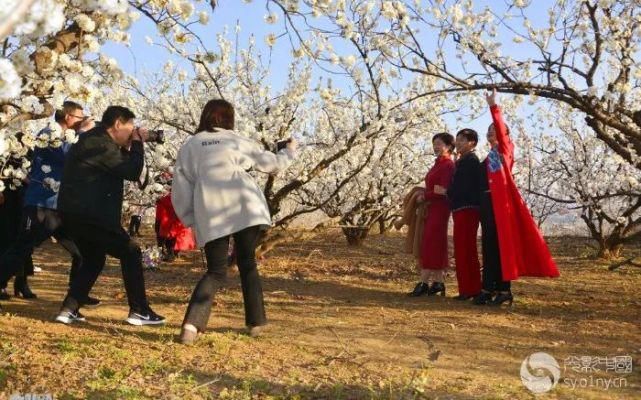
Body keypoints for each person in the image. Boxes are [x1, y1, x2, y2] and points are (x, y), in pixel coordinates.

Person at [172, 99, 297, 344]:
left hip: (211, 212)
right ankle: (256, 323)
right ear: (230, 118)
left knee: (216, 271)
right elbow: (271, 165)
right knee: (247, 263)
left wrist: (189, 218)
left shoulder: (190, 145)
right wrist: (288, 152)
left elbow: (181, 185)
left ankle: (191, 327)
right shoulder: (237, 140)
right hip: (245, 208)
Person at [55, 106, 165, 325]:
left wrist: (128, 144)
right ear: (117, 124)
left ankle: (68, 309)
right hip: (92, 214)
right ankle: (139, 311)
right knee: (131, 252)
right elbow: (132, 171)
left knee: (94, 259)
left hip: (75, 213)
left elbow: (116, 165)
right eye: (129, 127)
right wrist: (137, 143)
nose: (131, 131)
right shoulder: (99, 143)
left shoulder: (95, 140)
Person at [0, 102, 99, 305]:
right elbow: (68, 155)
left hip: (62, 207)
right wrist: (84, 133)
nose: (83, 120)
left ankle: (76, 293)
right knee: (20, 250)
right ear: (69, 117)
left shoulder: (71, 137)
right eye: (80, 117)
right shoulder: (49, 134)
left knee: (81, 251)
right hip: (41, 205)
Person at [473, 89, 560, 306]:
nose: (491, 133)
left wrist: (494, 107)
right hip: (486, 203)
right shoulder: (489, 156)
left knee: (502, 245)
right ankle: (488, 288)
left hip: (500, 205)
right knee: (489, 246)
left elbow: (501, 133)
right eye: (488, 130)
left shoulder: (506, 149)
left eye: (495, 129)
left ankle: (504, 290)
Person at [408, 133, 455, 297]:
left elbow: (443, 190)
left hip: (440, 208)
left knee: (430, 243)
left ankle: (423, 282)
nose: (436, 146)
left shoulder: (448, 165)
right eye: (434, 143)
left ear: (449, 146)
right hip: (432, 207)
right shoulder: (438, 164)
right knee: (435, 244)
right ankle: (438, 283)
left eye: (439, 143)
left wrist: (424, 196)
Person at [447, 129, 482, 300]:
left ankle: (472, 289)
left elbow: (464, 187)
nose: (459, 143)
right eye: (458, 139)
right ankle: (466, 288)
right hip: (461, 209)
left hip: (467, 209)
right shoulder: (462, 161)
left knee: (466, 248)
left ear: (472, 143)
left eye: (463, 140)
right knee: (461, 249)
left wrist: (447, 192)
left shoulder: (471, 161)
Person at [155, 189, 196, 261]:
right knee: (174, 239)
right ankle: (173, 253)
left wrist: (158, 224)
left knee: (168, 240)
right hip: (177, 223)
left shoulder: (164, 201)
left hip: (167, 223)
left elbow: (159, 214)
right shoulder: (181, 200)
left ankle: (170, 254)